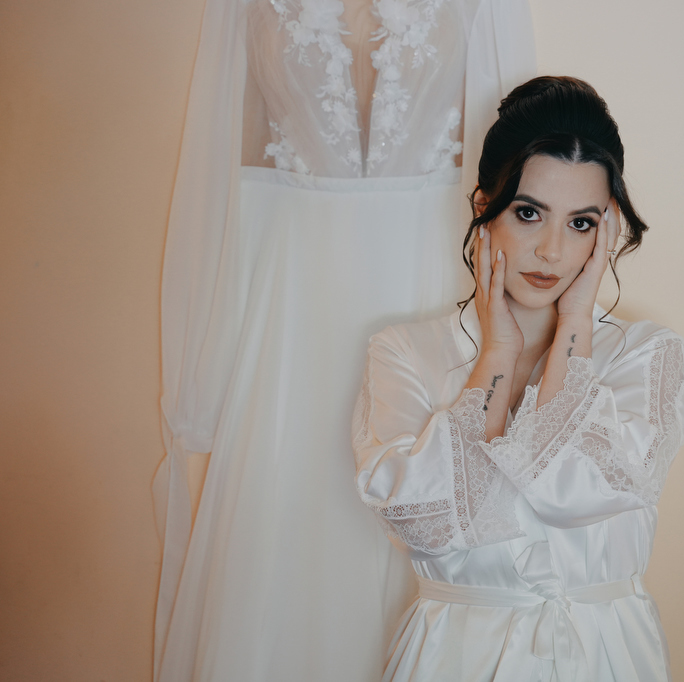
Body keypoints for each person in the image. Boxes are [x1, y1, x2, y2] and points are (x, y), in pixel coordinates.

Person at [153, 1, 534, 680]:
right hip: (291, 319)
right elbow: (215, 170)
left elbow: (521, 166)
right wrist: (196, 391)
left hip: (433, 295)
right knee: (285, 541)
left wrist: (516, 347)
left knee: (420, 511)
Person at [353, 76, 684, 682]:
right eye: (529, 213)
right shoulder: (404, 351)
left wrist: (576, 325)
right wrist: (498, 354)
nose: (552, 251)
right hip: (453, 655)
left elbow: (573, 492)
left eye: (581, 223)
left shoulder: (646, 355)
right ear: (483, 207)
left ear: (608, 229)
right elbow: (426, 526)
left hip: (604, 653)